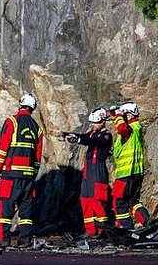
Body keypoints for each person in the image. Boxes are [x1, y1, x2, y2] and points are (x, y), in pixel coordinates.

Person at [0, 93, 44, 248]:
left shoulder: (12, 121)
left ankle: (3, 238)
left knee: (5, 205)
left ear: (21, 105)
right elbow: (38, 155)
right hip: (28, 175)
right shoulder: (37, 128)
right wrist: (33, 173)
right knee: (26, 209)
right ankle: (25, 239)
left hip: (11, 172)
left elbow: (4, 146)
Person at [59, 108, 112, 237]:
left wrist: (78, 140)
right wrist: (67, 134)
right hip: (88, 171)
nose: (93, 126)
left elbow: (93, 141)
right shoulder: (93, 133)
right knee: (85, 200)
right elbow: (85, 137)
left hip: (98, 170)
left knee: (97, 201)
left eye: (95, 123)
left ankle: (102, 231)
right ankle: (90, 231)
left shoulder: (106, 136)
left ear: (103, 122)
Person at [109, 101, 150, 229]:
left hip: (126, 174)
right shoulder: (134, 128)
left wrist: (119, 114)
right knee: (133, 202)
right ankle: (147, 223)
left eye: (125, 115)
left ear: (131, 115)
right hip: (135, 173)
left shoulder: (131, 128)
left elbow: (122, 128)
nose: (123, 118)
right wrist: (114, 114)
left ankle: (126, 228)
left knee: (119, 202)